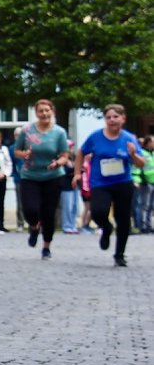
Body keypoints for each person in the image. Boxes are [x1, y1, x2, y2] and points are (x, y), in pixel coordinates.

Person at [73, 104, 145, 267]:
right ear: (105, 120)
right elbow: (80, 153)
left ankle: (119, 254)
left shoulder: (128, 138)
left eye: (115, 117)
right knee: (98, 212)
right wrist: (78, 173)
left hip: (122, 183)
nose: (112, 120)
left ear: (123, 119)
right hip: (100, 183)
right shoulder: (96, 137)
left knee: (124, 219)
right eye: (108, 117)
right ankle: (106, 228)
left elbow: (141, 163)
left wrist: (133, 153)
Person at [14, 99, 68, 260]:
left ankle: (46, 247)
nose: (44, 113)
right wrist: (24, 154)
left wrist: (58, 162)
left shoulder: (59, 132)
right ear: (36, 113)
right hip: (30, 176)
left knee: (48, 213)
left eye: (47, 110)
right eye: (41, 111)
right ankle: (33, 226)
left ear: (52, 112)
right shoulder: (27, 130)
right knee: (30, 210)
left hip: (53, 176)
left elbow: (65, 155)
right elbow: (17, 150)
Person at [133, 136, 154, 233]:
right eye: (153, 142)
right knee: (144, 205)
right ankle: (143, 226)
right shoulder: (142, 153)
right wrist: (139, 180)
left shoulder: (152, 153)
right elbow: (138, 168)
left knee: (151, 205)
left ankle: (149, 225)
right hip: (146, 182)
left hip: (153, 182)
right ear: (148, 143)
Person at [0, 130, 14, 233]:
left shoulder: (4, 149)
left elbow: (8, 162)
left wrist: (5, 173)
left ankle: (1, 224)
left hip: (3, 177)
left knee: (1, 202)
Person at [7, 126, 25, 231]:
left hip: (29, 178)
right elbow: (10, 164)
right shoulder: (11, 149)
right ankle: (20, 223)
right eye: (17, 135)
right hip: (18, 178)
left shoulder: (27, 147)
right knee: (20, 202)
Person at [60, 142, 80, 234]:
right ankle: (67, 226)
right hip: (66, 186)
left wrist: (75, 170)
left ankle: (73, 225)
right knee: (67, 206)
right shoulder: (61, 159)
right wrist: (74, 171)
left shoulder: (74, 159)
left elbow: (80, 169)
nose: (71, 149)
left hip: (75, 186)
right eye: (69, 147)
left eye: (72, 147)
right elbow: (65, 172)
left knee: (74, 206)